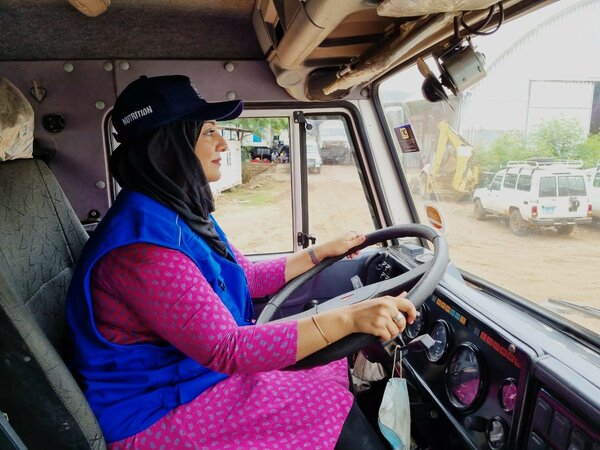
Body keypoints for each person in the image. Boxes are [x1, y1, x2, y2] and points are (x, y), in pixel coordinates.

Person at [65, 75, 417, 450]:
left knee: (325, 365)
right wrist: (347, 318)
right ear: (170, 146)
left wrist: (319, 252)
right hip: (154, 412)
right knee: (324, 399)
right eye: (208, 134)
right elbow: (225, 348)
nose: (223, 144)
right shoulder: (142, 249)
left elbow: (244, 278)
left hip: (190, 377)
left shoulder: (177, 210)